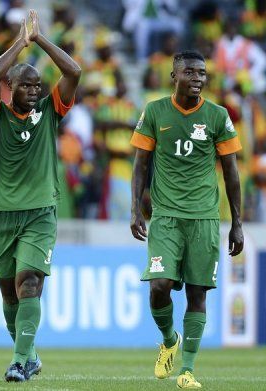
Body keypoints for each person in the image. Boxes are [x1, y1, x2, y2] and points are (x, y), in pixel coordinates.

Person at [130, 51, 244, 389]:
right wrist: (136, 209)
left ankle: (188, 370)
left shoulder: (217, 116)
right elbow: (141, 164)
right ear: (173, 76)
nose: (197, 78)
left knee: (198, 294)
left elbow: (232, 172)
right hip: (165, 217)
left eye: (202, 73)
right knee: (158, 287)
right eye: (190, 72)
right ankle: (168, 339)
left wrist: (236, 222)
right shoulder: (154, 111)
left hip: (205, 218)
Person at [0, 9, 81, 382]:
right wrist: (19, 44)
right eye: (27, 85)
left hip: (40, 212)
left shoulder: (50, 112)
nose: (35, 91)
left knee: (29, 283)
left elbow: (74, 73)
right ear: (11, 88)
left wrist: (40, 40)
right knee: (9, 295)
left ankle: (19, 362)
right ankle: (30, 355)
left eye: (38, 86)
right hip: (1, 214)